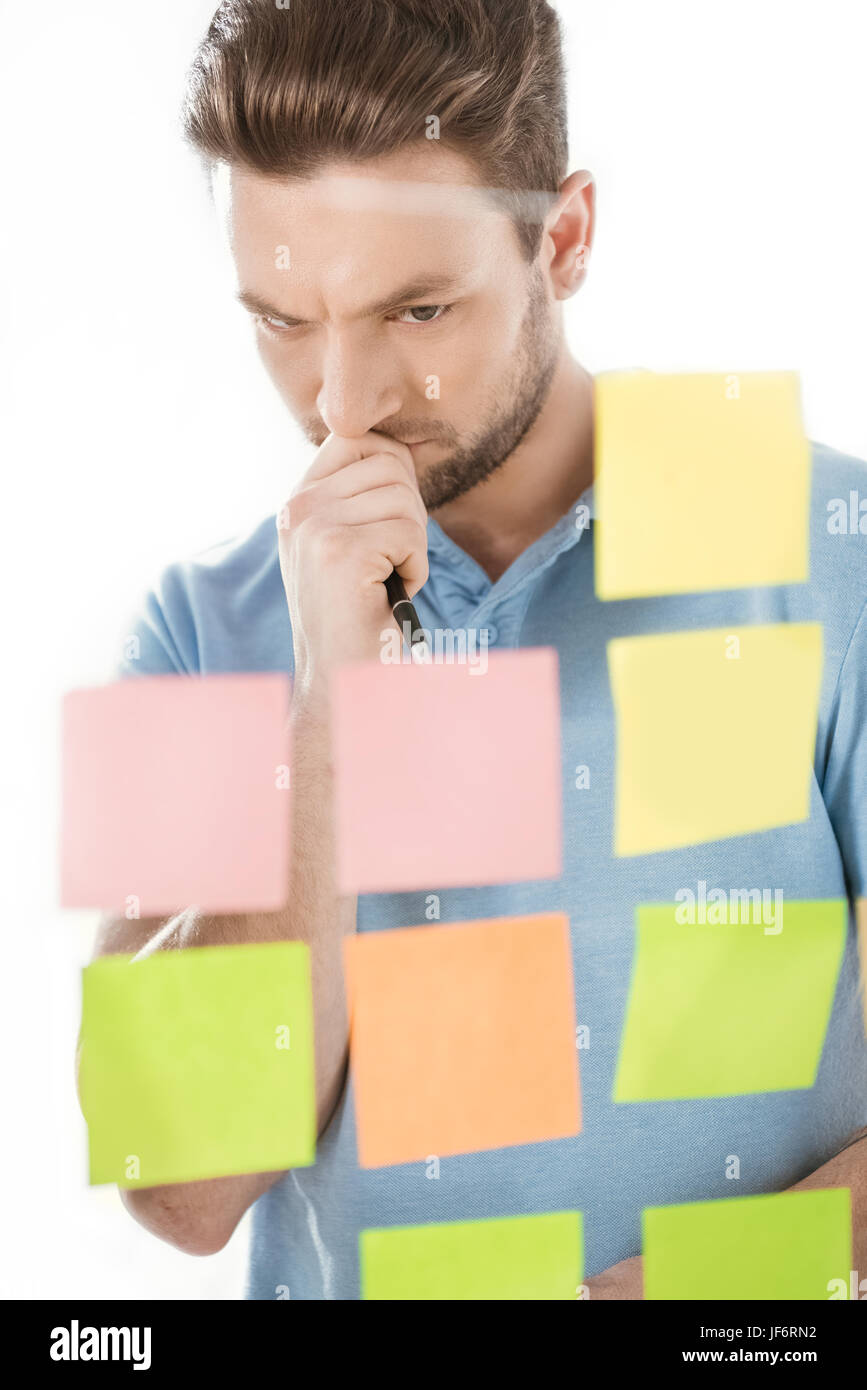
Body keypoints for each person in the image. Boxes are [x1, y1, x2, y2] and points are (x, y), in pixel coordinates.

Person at [92, 0, 867, 1299]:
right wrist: (330, 703)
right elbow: (179, 1185)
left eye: (418, 311)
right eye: (284, 320)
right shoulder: (195, 629)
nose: (343, 405)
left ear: (561, 240)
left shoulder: (824, 547)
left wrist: (706, 1293)